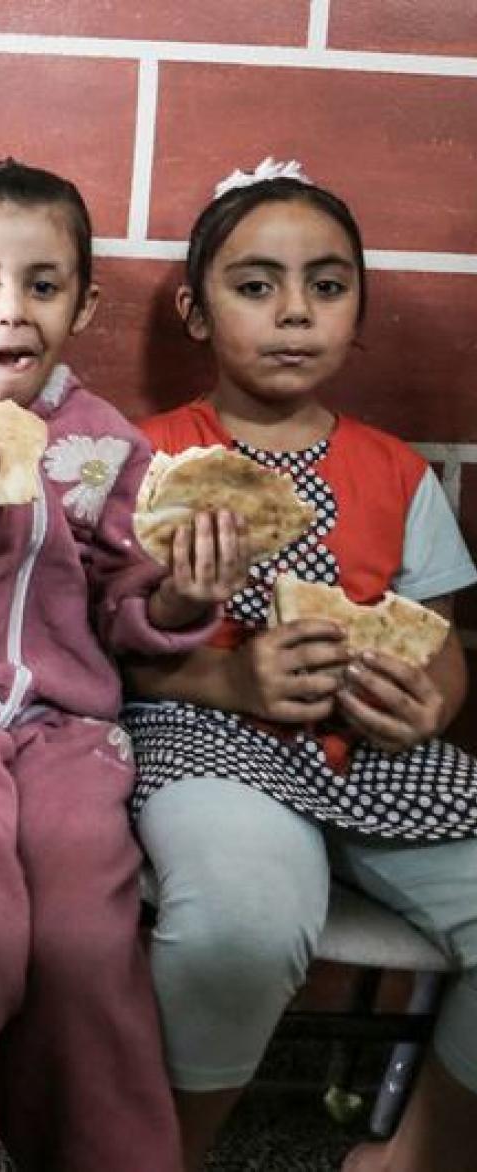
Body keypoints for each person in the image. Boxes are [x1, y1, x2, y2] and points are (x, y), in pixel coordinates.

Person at [0, 159, 245, 1172]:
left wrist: (185, 596)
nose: (9, 311)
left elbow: (128, 615)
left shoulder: (104, 447)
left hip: (67, 733)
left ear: (82, 301)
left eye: (41, 283)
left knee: (83, 942)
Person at [123, 159, 477, 1172]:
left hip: (371, 751)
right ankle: (166, 1151)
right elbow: (103, 649)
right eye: (254, 285)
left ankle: (412, 1152)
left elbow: (437, 635)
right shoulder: (147, 457)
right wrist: (224, 676)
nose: (292, 313)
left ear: (356, 310)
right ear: (195, 311)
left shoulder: (397, 471)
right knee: (241, 918)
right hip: (205, 738)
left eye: (324, 286)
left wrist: (426, 701)